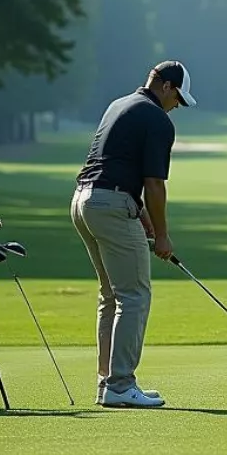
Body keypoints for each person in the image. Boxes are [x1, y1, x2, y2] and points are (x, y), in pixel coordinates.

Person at [71, 60, 196, 408]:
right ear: (167, 86)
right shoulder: (157, 119)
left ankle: (108, 383)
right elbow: (154, 184)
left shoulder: (119, 104)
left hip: (84, 200)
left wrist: (143, 217)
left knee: (111, 296)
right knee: (134, 295)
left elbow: (116, 165)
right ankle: (121, 385)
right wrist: (163, 236)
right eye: (179, 100)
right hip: (110, 204)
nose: (177, 107)